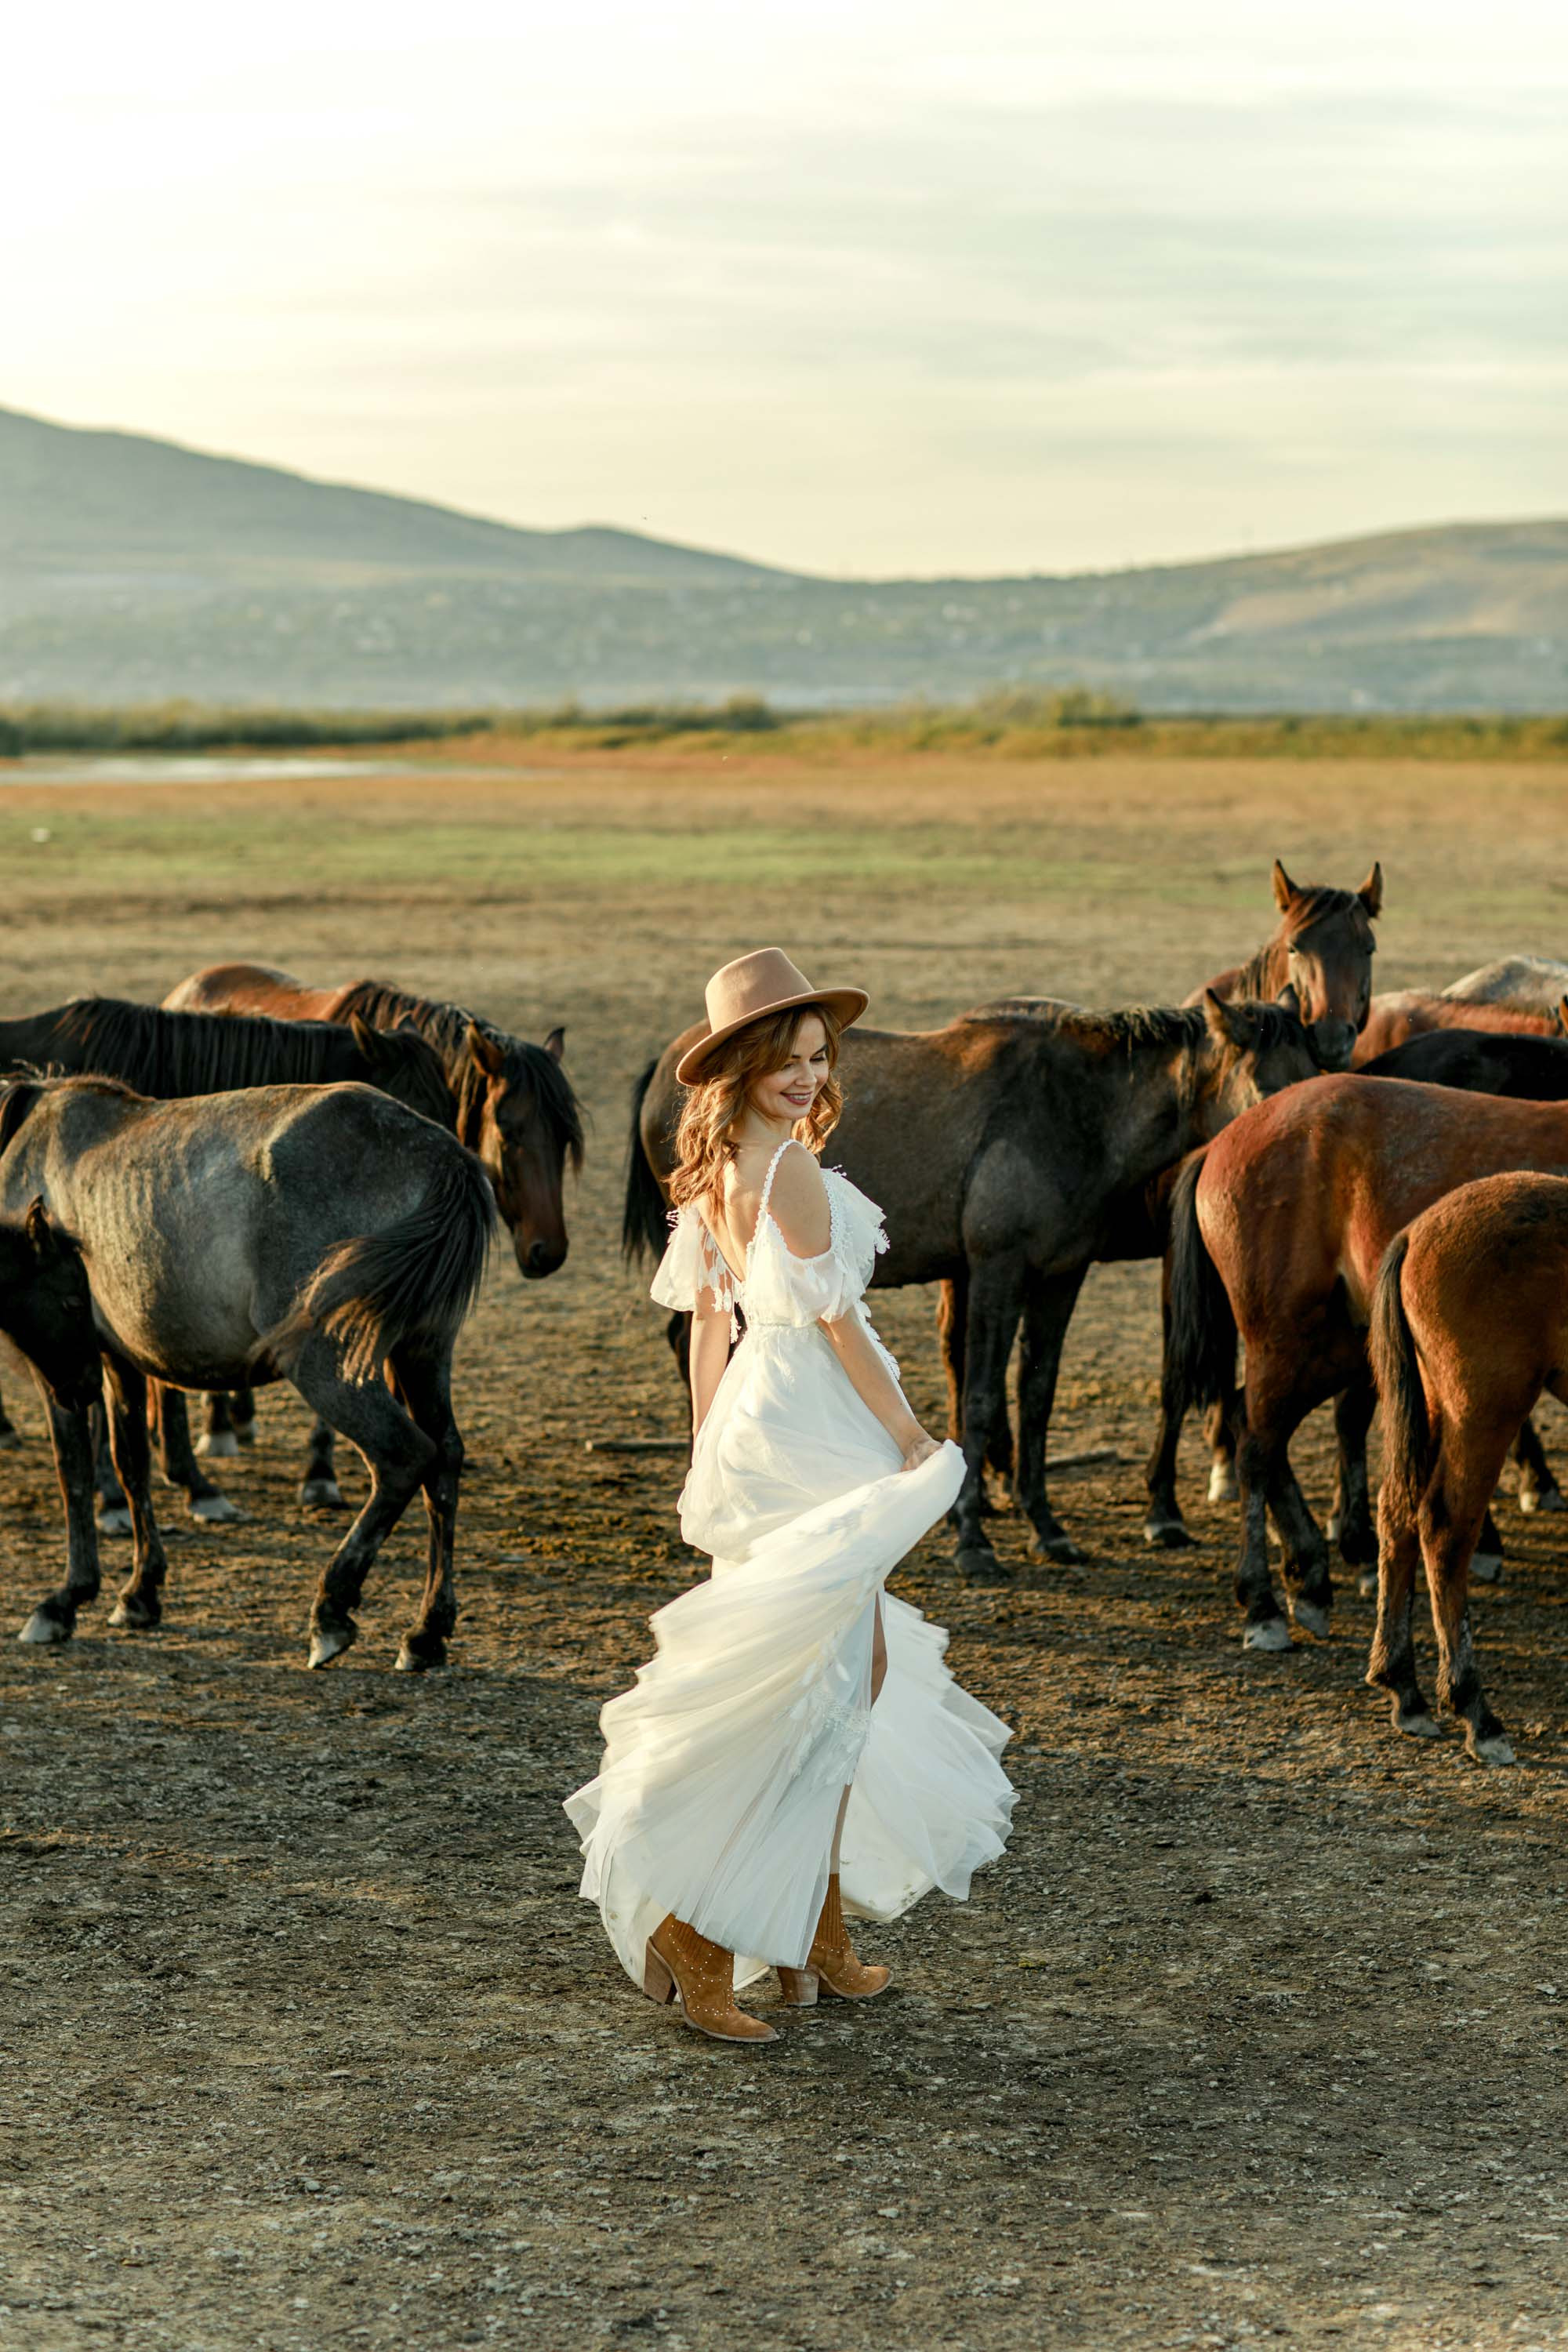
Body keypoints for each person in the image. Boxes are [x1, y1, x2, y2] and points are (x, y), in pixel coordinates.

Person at [565, 949, 1015, 2044]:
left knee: (839, 1676)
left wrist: (708, 1443)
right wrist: (911, 1435)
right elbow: (838, 1323)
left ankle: (811, 1929)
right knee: (802, 1687)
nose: (809, 1077)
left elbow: (710, 1334)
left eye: (819, 1058)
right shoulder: (787, 1174)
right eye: (787, 1060)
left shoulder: (731, 1166)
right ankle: (699, 1930)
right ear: (744, 1068)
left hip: (766, 1422)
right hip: (811, 1423)